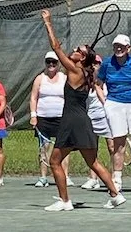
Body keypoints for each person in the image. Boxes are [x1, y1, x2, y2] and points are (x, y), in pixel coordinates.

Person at [40, 11, 125, 212]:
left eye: (78, 50)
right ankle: (115, 194)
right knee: (93, 162)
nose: (75, 50)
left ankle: (64, 201)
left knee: (54, 161)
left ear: (82, 58)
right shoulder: (87, 73)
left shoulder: (76, 71)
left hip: (72, 122)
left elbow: (56, 48)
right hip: (82, 122)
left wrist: (48, 23)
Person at [97, 34, 131, 194]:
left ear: (128, 48)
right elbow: (98, 85)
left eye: (121, 46)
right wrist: (105, 103)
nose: (118, 49)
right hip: (115, 104)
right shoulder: (107, 64)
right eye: (116, 46)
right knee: (118, 143)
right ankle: (117, 180)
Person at [29, 51, 67, 187]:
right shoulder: (40, 79)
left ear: (58, 64)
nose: (51, 64)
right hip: (43, 118)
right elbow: (33, 97)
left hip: (61, 118)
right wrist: (33, 116)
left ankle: (65, 177)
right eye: (48, 62)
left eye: (54, 62)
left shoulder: (64, 78)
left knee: (63, 149)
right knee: (43, 147)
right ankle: (43, 177)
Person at [81, 55, 114, 191]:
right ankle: (93, 179)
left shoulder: (108, 81)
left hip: (108, 118)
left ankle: (112, 179)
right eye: (92, 63)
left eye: (97, 63)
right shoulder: (85, 83)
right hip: (91, 119)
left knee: (112, 148)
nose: (94, 65)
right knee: (91, 148)